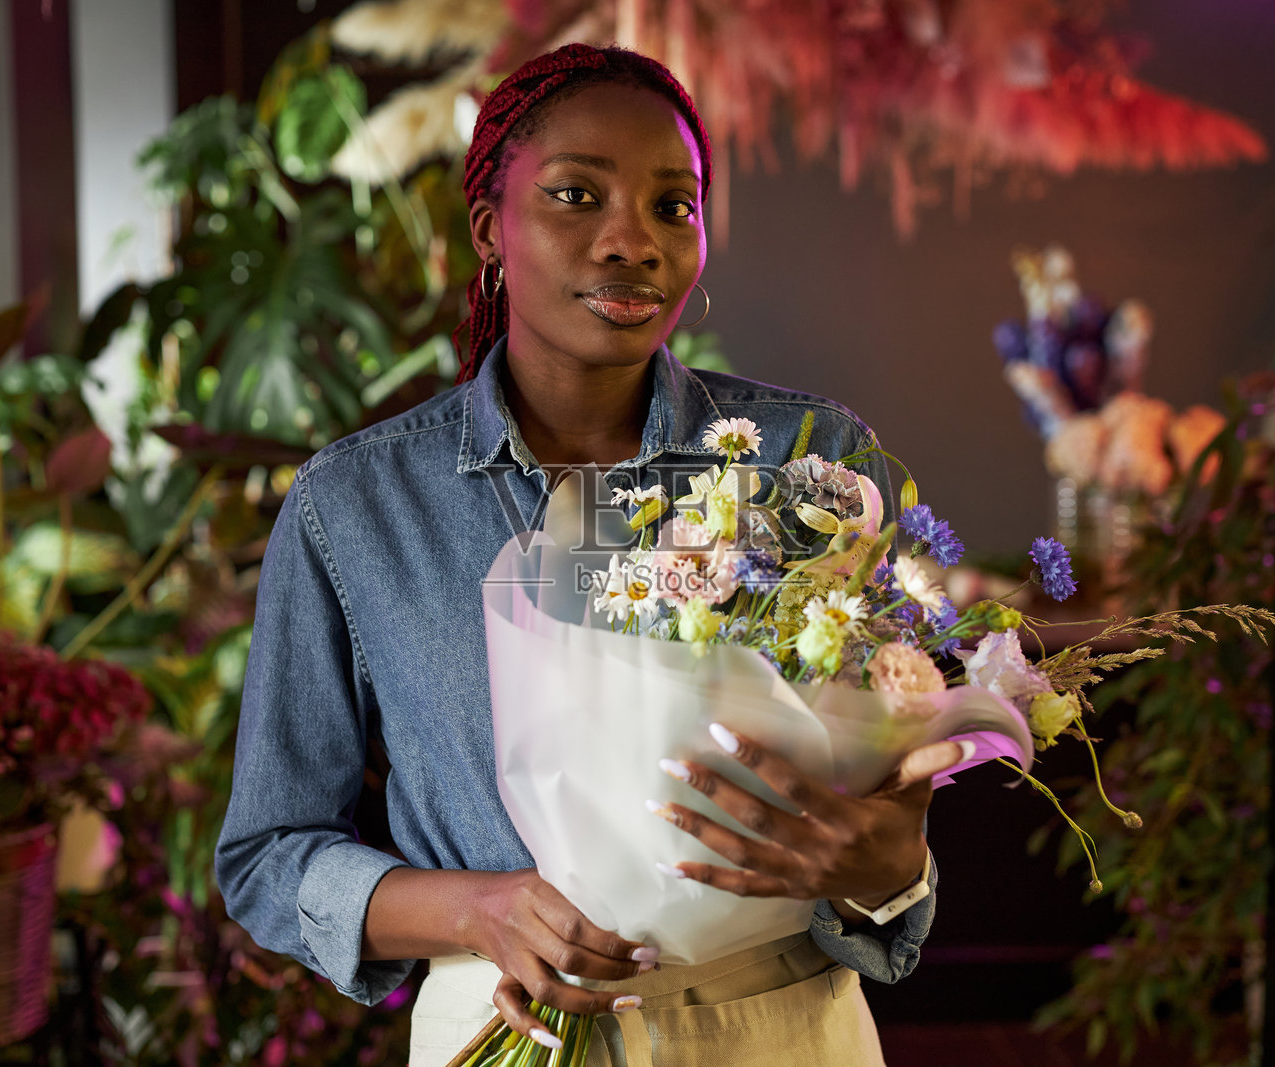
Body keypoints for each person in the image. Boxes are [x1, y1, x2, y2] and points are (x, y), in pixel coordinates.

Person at [216, 43, 966, 1066]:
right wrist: (480, 908)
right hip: (503, 1022)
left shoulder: (813, 465)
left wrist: (888, 864)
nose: (632, 241)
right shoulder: (355, 506)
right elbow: (269, 854)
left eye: (674, 207)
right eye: (577, 195)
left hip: (781, 1029)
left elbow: (889, 812)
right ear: (488, 227)